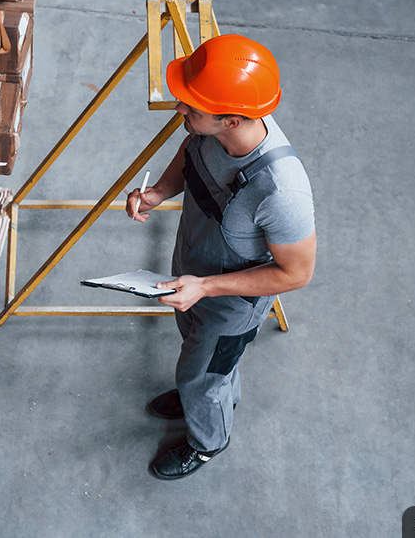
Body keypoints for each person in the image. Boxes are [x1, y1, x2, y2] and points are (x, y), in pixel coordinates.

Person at [125, 34, 316, 480]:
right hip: (193, 274)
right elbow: (190, 157)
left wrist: (206, 287)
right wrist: (156, 194)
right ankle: (206, 387)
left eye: (190, 107)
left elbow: (297, 273)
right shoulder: (210, 133)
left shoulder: (281, 190)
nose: (180, 111)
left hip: (228, 303)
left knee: (201, 375)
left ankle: (208, 441)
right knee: (200, 359)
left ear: (230, 120)